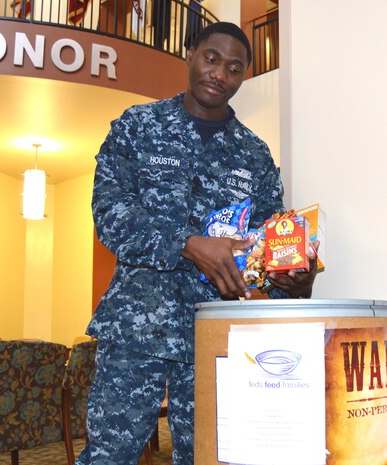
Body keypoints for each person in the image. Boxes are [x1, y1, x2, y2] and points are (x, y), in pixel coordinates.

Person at [75, 21, 319, 465]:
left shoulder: (254, 155)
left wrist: (293, 277)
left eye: (234, 68)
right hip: (136, 327)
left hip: (215, 335)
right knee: (109, 456)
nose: (219, 74)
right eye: (211, 58)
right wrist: (188, 244)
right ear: (190, 54)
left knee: (209, 455)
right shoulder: (137, 127)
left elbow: (265, 247)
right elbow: (110, 215)